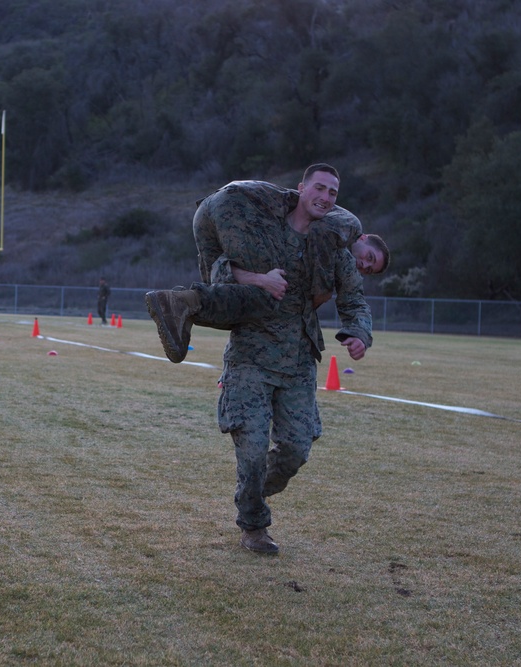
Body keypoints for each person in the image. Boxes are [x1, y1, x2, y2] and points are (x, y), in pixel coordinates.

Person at [149, 164, 373, 555]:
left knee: (296, 450)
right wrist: (260, 279)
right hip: (250, 356)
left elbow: (353, 297)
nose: (325, 197)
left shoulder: (331, 245)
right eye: (319, 188)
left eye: (333, 193)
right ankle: (254, 526)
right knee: (251, 449)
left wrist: (358, 332)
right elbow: (222, 271)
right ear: (300, 189)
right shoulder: (259, 227)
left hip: (299, 361)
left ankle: (249, 490)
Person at [146, 182, 389, 363]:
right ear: (365, 239)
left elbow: (355, 300)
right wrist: (321, 290)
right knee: (266, 295)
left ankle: (182, 307)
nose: (363, 265)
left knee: (226, 288)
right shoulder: (347, 227)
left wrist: (359, 334)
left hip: (209, 209)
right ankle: (182, 303)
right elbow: (323, 233)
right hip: (241, 210)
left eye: (369, 269)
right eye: (369, 257)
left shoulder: (325, 237)